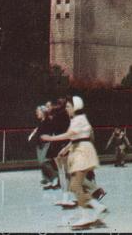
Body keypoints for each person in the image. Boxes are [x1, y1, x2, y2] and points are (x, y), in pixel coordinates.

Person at [41, 96, 107, 230]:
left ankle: (90, 212)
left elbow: (70, 134)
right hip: (79, 150)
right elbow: (74, 138)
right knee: (75, 184)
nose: (66, 109)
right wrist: (65, 149)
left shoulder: (79, 119)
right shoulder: (77, 119)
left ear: (75, 107)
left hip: (82, 152)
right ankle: (95, 207)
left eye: (68, 106)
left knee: (75, 185)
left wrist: (50, 138)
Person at [29, 105, 57, 187]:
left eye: (38, 111)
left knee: (44, 162)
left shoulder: (48, 121)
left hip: (46, 144)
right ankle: (46, 179)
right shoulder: (41, 122)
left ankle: (54, 176)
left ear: (43, 112)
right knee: (41, 162)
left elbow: (51, 132)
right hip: (40, 144)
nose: (36, 113)